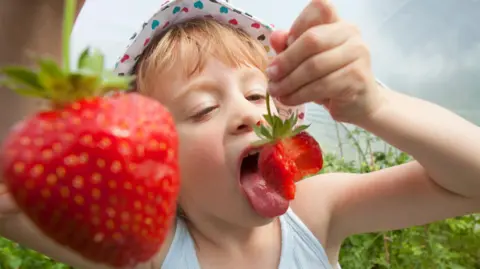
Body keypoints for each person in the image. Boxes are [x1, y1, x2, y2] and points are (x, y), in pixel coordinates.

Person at [1, 0, 480, 268]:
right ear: (159, 163)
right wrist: (35, 12)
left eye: (257, 95)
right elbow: (10, 192)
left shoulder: (317, 214)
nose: (246, 115)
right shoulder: (148, 252)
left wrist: (376, 106)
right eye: (203, 108)